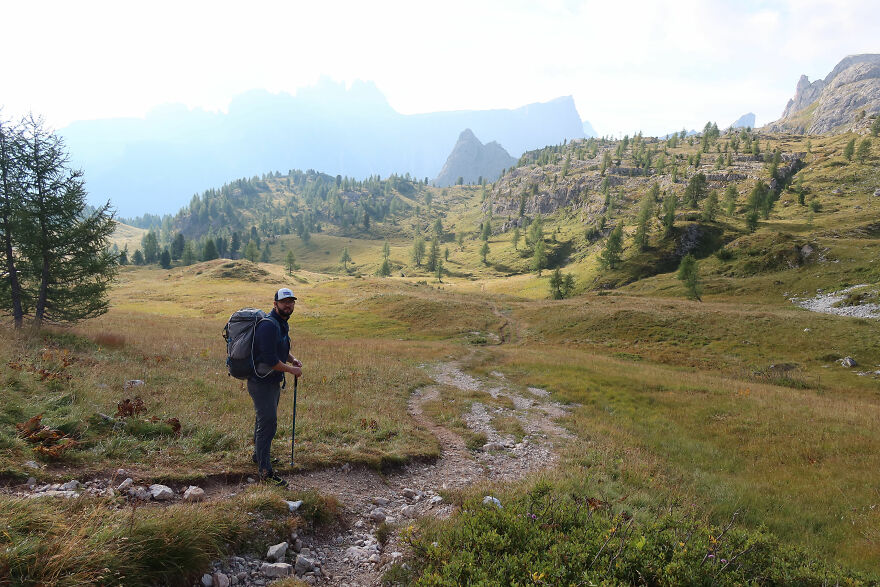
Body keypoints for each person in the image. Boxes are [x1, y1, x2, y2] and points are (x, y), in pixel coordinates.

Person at [249, 287, 303, 485]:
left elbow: (280, 349)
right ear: (275, 304)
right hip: (261, 382)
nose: (288, 305)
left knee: (263, 420)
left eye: (291, 302)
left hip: (271, 381)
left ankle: (258, 456)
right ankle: (265, 472)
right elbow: (271, 360)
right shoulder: (269, 325)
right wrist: (292, 370)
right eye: (284, 302)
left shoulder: (281, 323)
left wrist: (292, 359)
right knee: (268, 424)